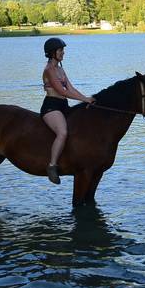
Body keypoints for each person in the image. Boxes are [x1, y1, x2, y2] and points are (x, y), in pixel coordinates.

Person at [41, 37, 95, 184]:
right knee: (62, 132)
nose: (63, 53)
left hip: (63, 105)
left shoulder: (60, 69)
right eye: (60, 50)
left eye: (62, 50)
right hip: (51, 107)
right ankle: (52, 166)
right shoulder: (49, 70)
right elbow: (62, 91)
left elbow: (70, 89)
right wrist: (84, 100)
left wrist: (87, 98)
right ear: (52, 52)